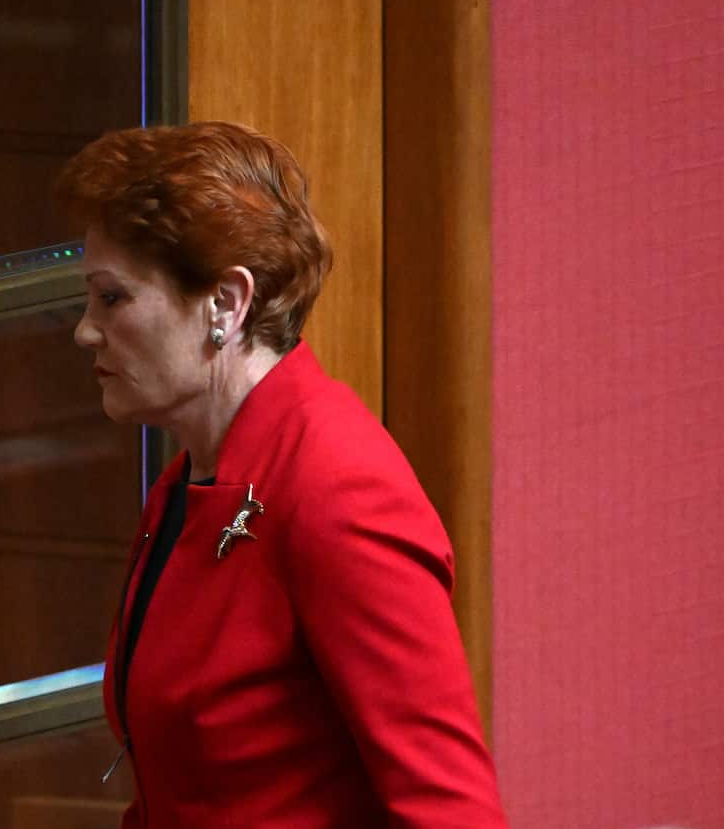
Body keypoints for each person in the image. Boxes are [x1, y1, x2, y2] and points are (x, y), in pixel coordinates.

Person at [56, 121, 507, 828]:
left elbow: (451, 809)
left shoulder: (340, 491)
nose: (86, 328)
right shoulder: (184, 482)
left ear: (225, 305)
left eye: (111, 298)